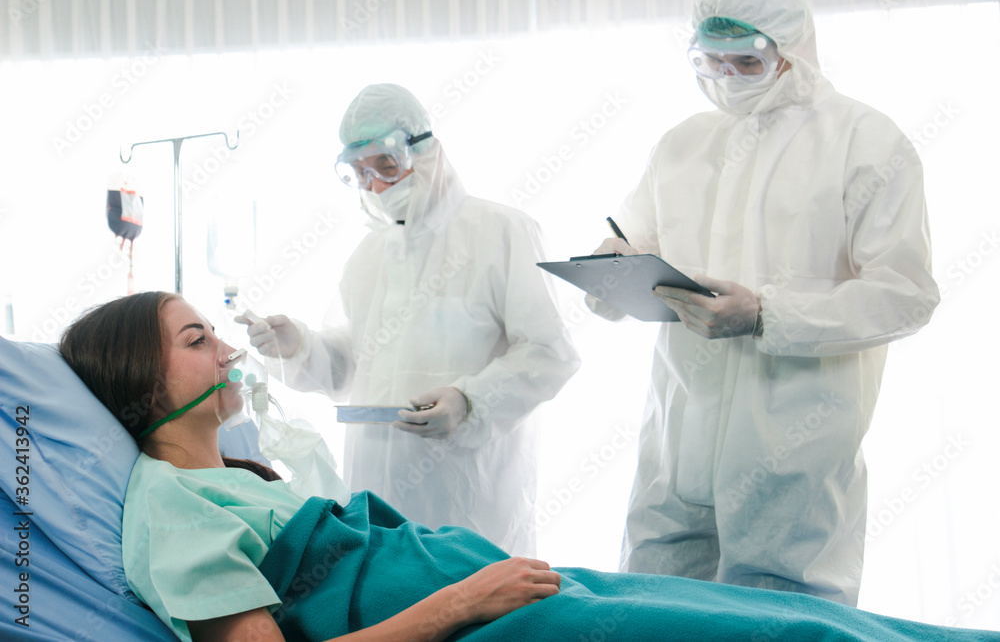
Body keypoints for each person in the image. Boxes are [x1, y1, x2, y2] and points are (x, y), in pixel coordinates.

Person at [58, 292, 996, 642]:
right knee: (788, 638)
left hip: (489, 581)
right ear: (142, 380)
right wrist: (464, 601)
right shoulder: (168, 506)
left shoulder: (229, 476)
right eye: (198, 338)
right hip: (474, 608)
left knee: (788, 615)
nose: (228, 348)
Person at [587, 0, 940, 606]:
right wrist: (611, 264)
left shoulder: (864, 140)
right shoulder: (683, 143)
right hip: (678, 440)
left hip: (795, 449)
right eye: (711, 62)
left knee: (784, 614)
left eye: (746, 61)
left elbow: (905, 293)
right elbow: (633, 239)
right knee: (656, 607)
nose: (728, 77)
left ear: (792, 47)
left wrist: (766, 314)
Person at [237, 83, 580, 556]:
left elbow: (549, 353)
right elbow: (349, 367)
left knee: (478, 594)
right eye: (360, 172)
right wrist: (300, 346)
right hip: (377, 492)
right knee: (389, 594)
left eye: (386, 165)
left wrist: (470, 401)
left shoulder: (501, 231)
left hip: (470, 497)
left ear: (425, 151)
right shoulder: (370, 253)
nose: (375, 185)